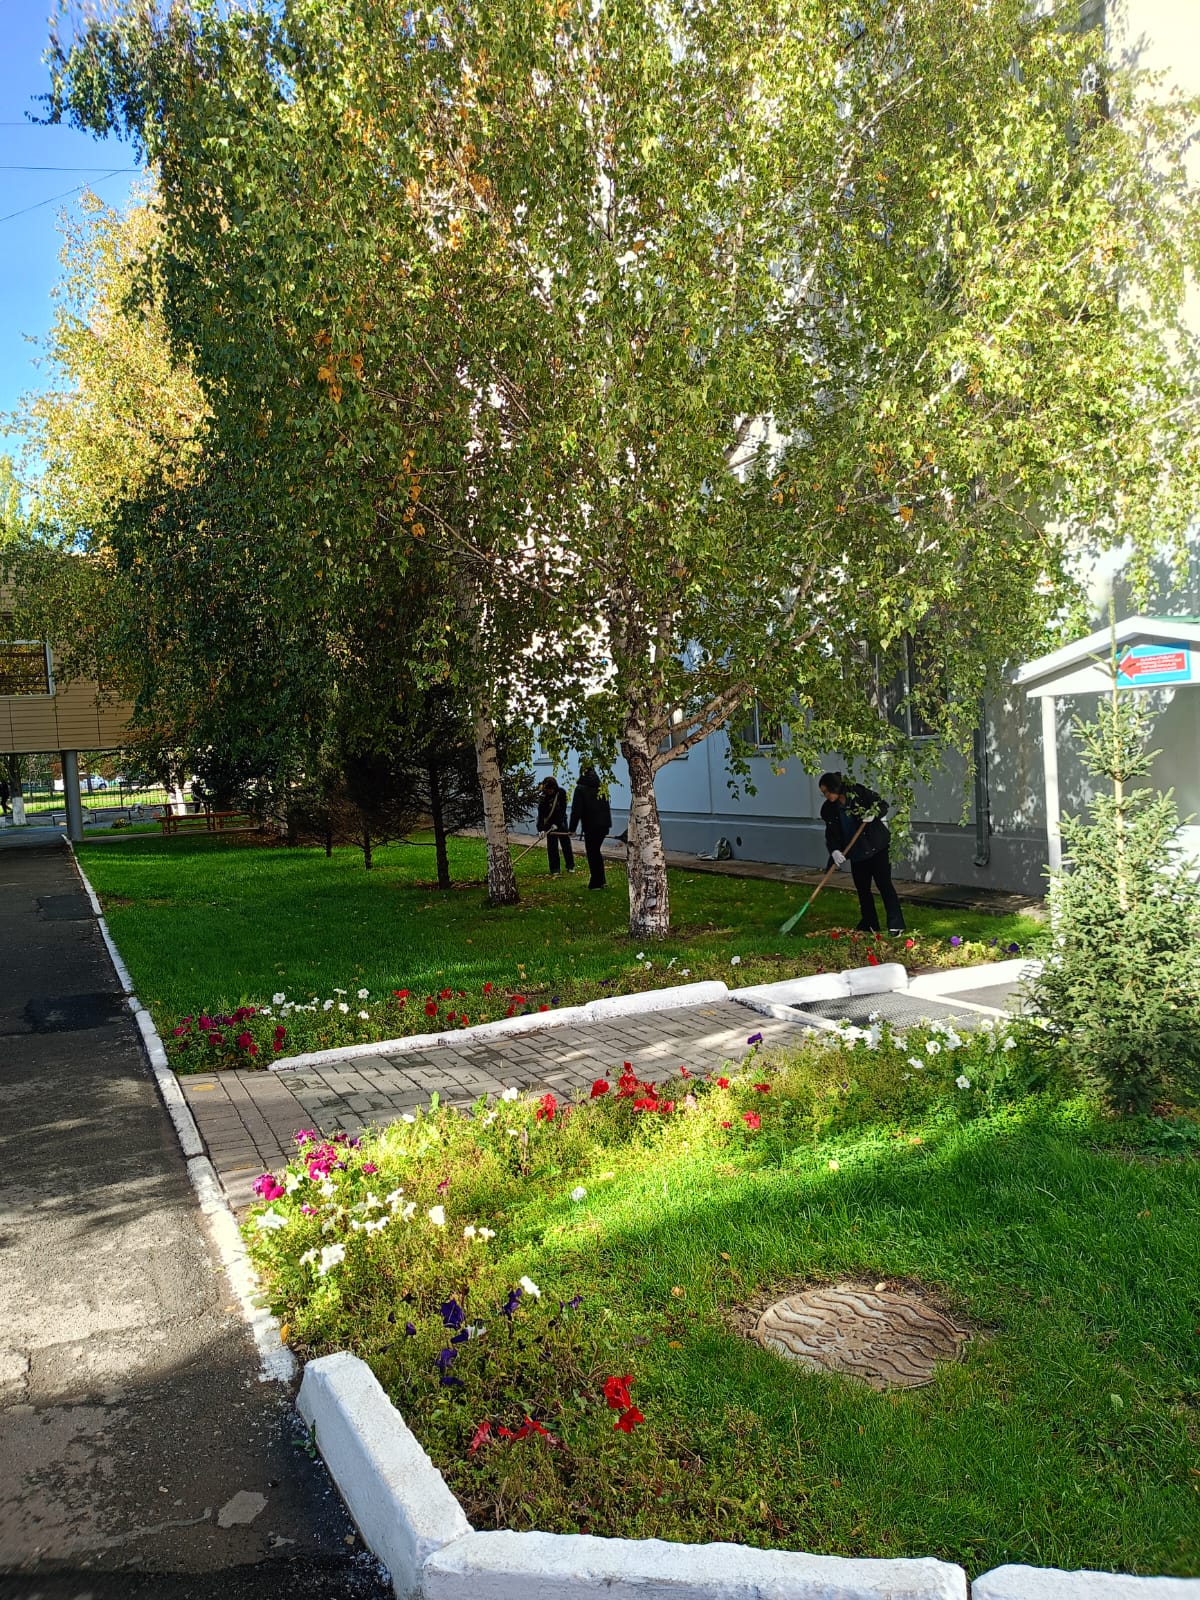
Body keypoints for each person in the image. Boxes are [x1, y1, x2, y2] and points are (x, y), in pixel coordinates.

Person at [818, 770, 906, 935]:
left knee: (884, 884)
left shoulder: (858, 793)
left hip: (876, 847)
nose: (826, 796)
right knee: (862, 889)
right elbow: (831, 834)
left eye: (827, 792)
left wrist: (873, 814)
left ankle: (896, 924)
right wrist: (835, 850)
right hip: (856, 852)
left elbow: (882, 804)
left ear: (835, 787)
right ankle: (869, 923)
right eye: (824, 793)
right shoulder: (829, 809)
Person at [569, 767, 612, 889]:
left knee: (593, 853)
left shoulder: (580, 789)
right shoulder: (601, 787)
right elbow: (606, 806)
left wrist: (572, 829)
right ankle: (600, 880)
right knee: (596, 852)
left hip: (591, 825)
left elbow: (576, 811)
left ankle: (596, 882)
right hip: (603, 825)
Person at [536, 776, 575, 876]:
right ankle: (555, 869)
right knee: (552, 846)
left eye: (550, 789)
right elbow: (541, 814)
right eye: (547, 789)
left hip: (561, 821)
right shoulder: (542, 797)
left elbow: (562, 810)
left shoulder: (561, 793)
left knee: (565, 844)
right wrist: (541, 829)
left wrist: (557, 823)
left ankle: (570, 866)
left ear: (554, 788)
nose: (549, 791)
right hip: (549, 823)